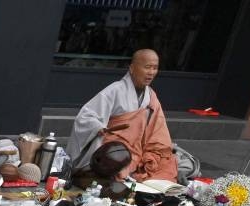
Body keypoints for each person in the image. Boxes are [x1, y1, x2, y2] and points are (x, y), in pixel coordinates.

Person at [66, 49, 178, 182]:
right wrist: (98, 127)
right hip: (113, 147)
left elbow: (157, 129)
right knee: (116, 160)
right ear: (132, 68)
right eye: (147, 67)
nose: (151, 72)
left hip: (137, 149)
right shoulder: (115, 90)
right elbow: (85, 116)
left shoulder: (151, 97)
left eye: (155, 68)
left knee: (167, 161)